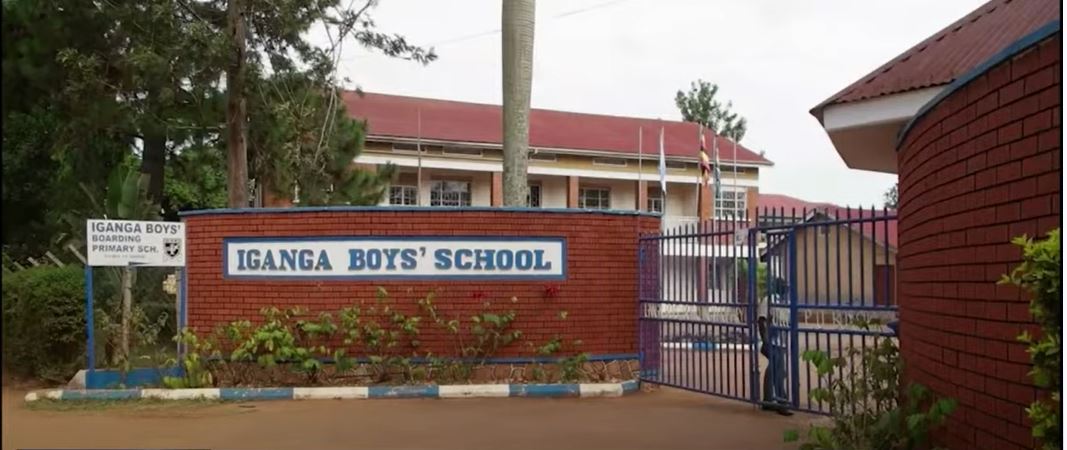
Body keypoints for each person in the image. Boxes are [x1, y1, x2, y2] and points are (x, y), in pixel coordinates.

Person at [757, 292, 793, 416]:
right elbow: (762, 321)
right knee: (778, 371)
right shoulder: (768, 300)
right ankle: (781, 402)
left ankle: (767, 401)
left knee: (774, 371)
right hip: (772, 342)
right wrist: (765, 340)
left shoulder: (786, 302)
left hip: (781, 343)